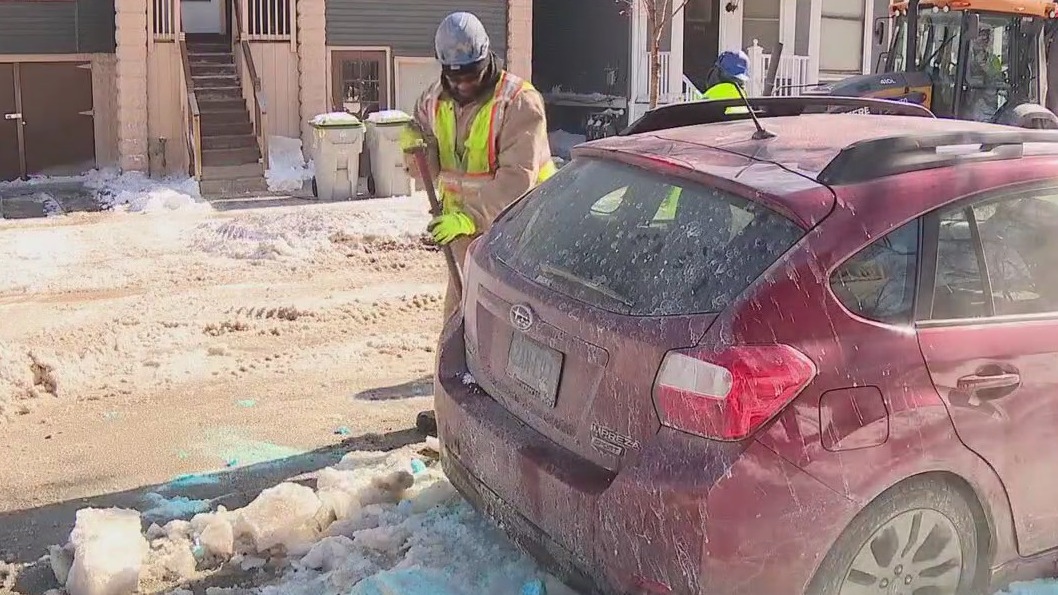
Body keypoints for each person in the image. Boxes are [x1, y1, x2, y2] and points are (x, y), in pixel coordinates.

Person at [401, 11, 555, 435]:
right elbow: (426, 145)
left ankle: (510, 416)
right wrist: (415, 148)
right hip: (462, 235)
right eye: (457, 76)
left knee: (506, 326)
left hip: (518, 236)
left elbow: (517, 181)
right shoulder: (434, 98)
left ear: (487, 60)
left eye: (472, 74)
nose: (465, 83)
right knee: (459, 321)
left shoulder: (518, 102)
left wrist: (467, 217)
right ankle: (454, 409)